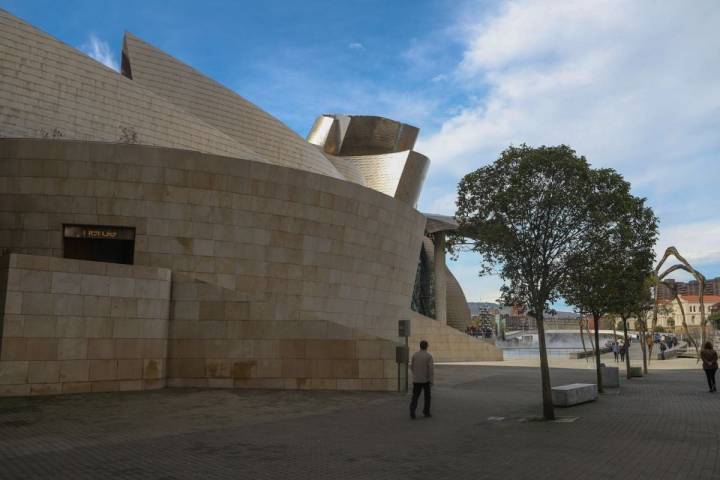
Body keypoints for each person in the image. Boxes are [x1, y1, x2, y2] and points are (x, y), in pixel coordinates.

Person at [409, 340, 434, 419]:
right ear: (426, 346)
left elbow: (412, 367)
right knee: (427, 397)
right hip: (425, 380)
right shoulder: (428, 356)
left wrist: (415, 375)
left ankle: (412, 410)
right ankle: (426, 412)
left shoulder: (415, 355)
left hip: (416, 380)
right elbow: (430, 370)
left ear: (420, 346)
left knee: (415, 396)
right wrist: (431, 380)